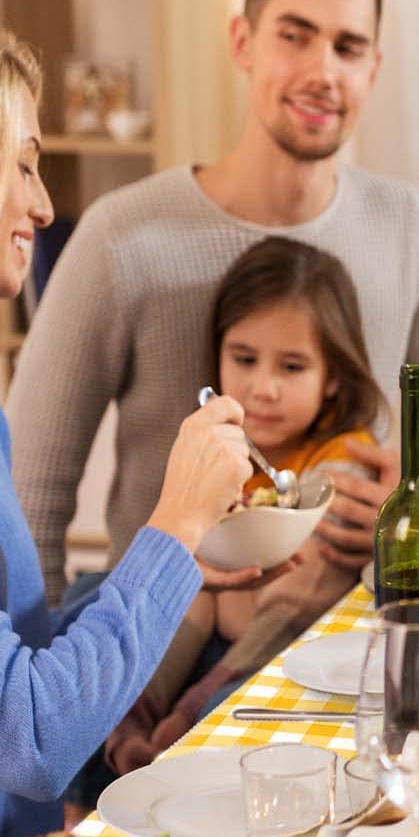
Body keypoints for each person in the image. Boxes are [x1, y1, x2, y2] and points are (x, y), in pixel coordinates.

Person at [8, 0, 419, 608]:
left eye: (347, 47)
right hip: (163, 647)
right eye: (295, 36)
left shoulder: (403, 226)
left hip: (351, 641)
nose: (322, 72)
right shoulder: (122, 237)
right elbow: (26, 497)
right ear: (242, 40)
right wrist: (73, 697)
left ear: (373, 69)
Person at [0, 7, 249, 837]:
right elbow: (28, 733)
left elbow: (15, 653)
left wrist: (181, 572)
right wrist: (170, 529)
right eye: (20, 163)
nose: (44, 204)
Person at [100, 237, 383, 779]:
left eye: (292, 367)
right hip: (223, 610)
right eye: (244, 360)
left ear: (333, 381)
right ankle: (133, 719)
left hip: (276, 642)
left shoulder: (345, 459)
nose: (263, 388)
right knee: (188, 559)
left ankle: (199, 710)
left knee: (321, 535)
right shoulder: (226, 451)